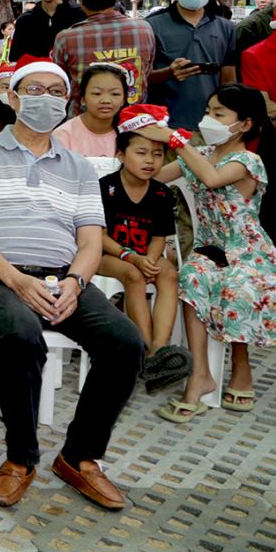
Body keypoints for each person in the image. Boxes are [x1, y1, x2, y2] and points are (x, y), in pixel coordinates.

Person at [0, 57, 143, 511]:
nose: (46, 100)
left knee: (125, 342)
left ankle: (79, 456)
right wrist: (17, 280)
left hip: (62, 276)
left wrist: (76, 282)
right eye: (34, 90)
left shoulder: (78, 167)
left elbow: (90, 241)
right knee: (22, 333)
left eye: (56, 92)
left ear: (67, 102)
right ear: (14, 98)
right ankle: (20, 458)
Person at [139, 86, 276, 421]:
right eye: (208, 111)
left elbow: (212, 178)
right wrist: (143, 149)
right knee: (191, 276)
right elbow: (157, 178)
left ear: (244, 124)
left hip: (248, 251)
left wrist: (175, 140)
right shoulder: (200, 153)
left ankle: (241, 366)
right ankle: (200, 373)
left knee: (235, 285)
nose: (208, 119)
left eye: (218, 114)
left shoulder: (248, 161)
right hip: (209, 248)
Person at [95, 105, 189, 391]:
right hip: (109, 255)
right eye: (141, 152)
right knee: (134, 275)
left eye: (158, 154)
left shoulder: (160, 193)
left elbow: (159, 236)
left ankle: (159, 349)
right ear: (121, 155)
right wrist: (132, 258)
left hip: (143, 253)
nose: (150, 160)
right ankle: (146, 350)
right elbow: (98, 236)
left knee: (168, 273)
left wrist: (149, 259)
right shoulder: (106, 187)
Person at [148, 0, 238, 131]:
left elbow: (229, 81)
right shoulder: (151, 26)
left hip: (211, 127)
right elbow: (140, 79)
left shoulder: (226, 28)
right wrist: (168, 72)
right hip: (165, 126)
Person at [50, 0, 154, 111]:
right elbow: (146, 72)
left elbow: (60, 83)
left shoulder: (66, 38)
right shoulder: (144, 30)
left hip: (84, 121)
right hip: (133, 121)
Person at [52, 63, 128, 160]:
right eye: (97, 93)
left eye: (115, 94)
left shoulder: (129, 133)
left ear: (123, 100)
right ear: (83, 98)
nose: (106, 100)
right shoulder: (63, 135)